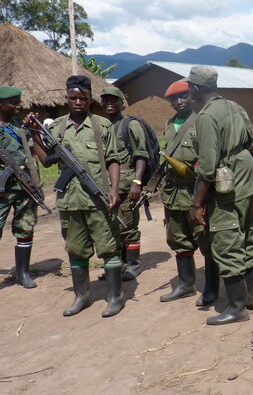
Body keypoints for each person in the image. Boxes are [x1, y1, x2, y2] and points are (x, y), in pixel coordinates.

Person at [26, 75, 125, 317]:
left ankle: (115, 297)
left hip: (98, 199)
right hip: (70, 201)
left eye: (83, 98)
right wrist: (35, 134)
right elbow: (46, 160)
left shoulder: (103, 126)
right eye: (73, 98)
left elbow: (113, 160)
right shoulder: (57, 127)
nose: (78, 102)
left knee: (109, 248)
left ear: (90, 99)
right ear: (67, 99)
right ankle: (81, 296)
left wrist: (113, 190)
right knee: (75, 249)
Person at [188, 65, 253, 325]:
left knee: (227, 241)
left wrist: (197, 204)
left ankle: (236, 307)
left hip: (226, 187)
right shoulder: (234, 106)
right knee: (247, 237)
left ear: (195, 88)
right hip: (246, 181)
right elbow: (250, 141)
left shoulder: (207, 117)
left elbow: (207, 167)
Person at [157, 80, 219, 304]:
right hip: (173, 192)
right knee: (179, 240)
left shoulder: (201, 121)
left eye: (183, 96)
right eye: (174, 99)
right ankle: (185, 285)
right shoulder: (169, 123)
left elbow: (209, 157)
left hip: (196, 190)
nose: (179, 101)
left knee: (205, 240)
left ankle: (211, 288)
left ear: (192, 96)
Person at [99, 86, 148, 281]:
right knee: (110, 227)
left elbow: (141, 155)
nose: (109, 103)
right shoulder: (101, 126)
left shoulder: (130, 125)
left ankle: (133, 265)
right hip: (106, 186)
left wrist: (137, 181)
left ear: (122, 103)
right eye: (106, 100)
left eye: (114, 100)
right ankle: (117, 266)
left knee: (128, 226)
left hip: (127, 185)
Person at [0, 85, 41, 288]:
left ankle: (23, 273)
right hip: (1, 189)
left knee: (25, 226)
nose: (18, 106)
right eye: (13, 103)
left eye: (18, 102)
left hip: (24, 185)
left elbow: (34, 153)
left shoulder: (21, 127)